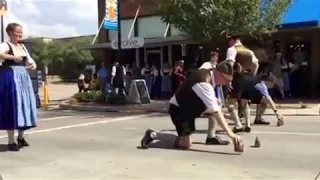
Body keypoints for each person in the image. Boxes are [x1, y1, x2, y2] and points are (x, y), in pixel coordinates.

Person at [140, 61, 243, 152]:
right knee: (186, 143)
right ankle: (153, 134)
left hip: (190, 107)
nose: (227, 84)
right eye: (226, 80)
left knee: (217, 103)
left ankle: (211, 137)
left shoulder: (208, 72)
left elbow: (215, 108)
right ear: (219, 74)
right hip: (179, 110)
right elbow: (216, 112)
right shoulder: (204, 83)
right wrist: (231, 134)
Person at [0, 23, 37, 151]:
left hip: (23, 79)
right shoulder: (5, 45)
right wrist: (12, 57)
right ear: (10, 32)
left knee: (24, 105)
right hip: (10, 77)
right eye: (17, 32)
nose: (20, 34)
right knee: (12, 106)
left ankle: (21, 138)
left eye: (20, 32)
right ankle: (11, 141)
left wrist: (33, 65)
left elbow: (30, 60)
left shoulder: (22, 47)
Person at [224, 35, 270, 133]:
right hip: (249, 77)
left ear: (232, 40)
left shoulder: (232, 49)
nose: (228, 44)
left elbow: (230, 64)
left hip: (238, 77)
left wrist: (229, 80)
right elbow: (256, 64)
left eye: (229, 42)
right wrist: (252, 76)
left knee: (231, 103)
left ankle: (238, 125)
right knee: (245, 102)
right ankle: (248, 124)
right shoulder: (248, 51)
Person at [233, 64, 284, 133]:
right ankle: (255, 118)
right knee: (265, 101)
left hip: (248, 93)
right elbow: (269, 99)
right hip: (252, 94)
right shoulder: (261, 85)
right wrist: (277, 113)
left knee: (247, 104)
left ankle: (252, 120)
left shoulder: (251, 78)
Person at [199, 49, 229, 145]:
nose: (216, 58)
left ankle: (211, 136)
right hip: (208, 89)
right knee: (214, 111)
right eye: (214, 56)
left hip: (215, 89)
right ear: (211, 57)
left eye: (216, 56)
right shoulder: (206, 65)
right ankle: (211, 136)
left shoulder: (216, 66)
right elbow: (201, 74)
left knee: (215, 111)